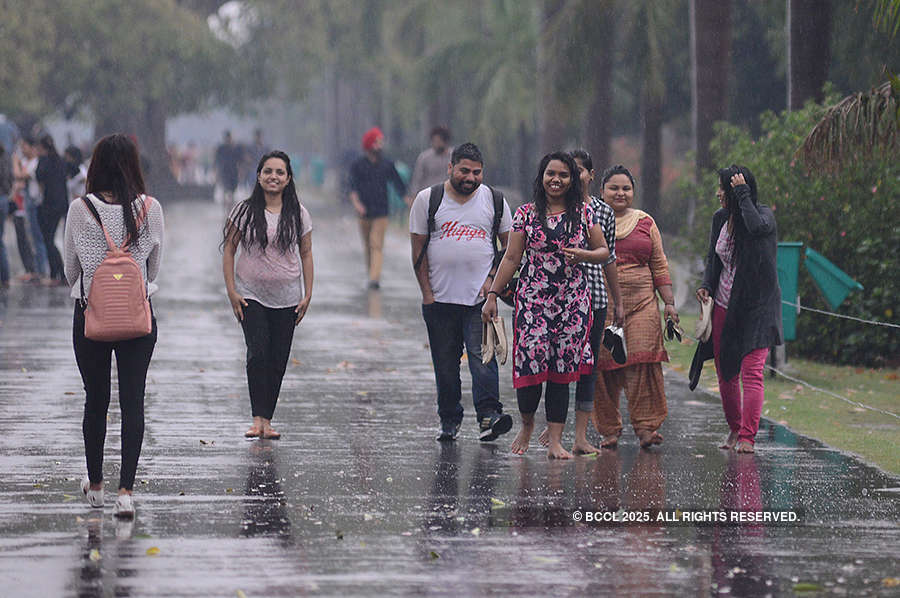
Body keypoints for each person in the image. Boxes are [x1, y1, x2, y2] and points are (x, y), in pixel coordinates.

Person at [483, 152, 610, 459]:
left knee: (562, 371)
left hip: (573, 302)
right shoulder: (526, 214)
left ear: (572, 180)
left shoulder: (583, 213)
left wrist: (583, 254)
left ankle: (555, 440)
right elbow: (512, 257)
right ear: (541, 177)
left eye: (564, 175)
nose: (557, 180)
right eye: (551, 173)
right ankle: (527, 426)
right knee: (530, 363)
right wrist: (492, 295)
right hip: (534, 300)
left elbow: (604, 251)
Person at [64, 133, 165, 518]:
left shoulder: (80, 209)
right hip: (138, 318)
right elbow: (153, 269)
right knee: (133, 401)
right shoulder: (151, 209)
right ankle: (126, 492)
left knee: (96, 399)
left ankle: (96, 486)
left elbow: (71, 270)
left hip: (91, 315)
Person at [410, 142, 513, 442]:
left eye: (476, 172)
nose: (470, 177)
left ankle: (488, 417)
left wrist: (493, 284)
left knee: (484, 361)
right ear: (450, 168)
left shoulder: (494, 200)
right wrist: (427, 295)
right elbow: (418, 250)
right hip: (439, 300)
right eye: (464, 170)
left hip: (481, 302)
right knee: (445, 366)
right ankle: (449, 419)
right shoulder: (428, 200)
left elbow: (510, 248)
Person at [223, 150, 314, 440]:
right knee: (258, 352)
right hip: (251, 294)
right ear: (259, 176)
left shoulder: (298, 213)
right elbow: (229, 250)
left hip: (287, 296)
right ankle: (256, 418)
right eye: (268, 171)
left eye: (280, 172)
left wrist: (308, 293)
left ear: (288, 179)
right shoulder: (243, 211)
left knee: (278, 358)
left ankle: (268, 420)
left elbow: (307, 253)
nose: (273, 177)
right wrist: (232, 291)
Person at [537, 149, 622, 455]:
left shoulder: (601, 212)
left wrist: (618, 301)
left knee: (587, 366)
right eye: (561, 172)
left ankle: (581, 437)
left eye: (577, 171)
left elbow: (608, 256)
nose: (569, 177)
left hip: (595, 298)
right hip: (555, 298)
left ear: (588, 175)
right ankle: (554, 422)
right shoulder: (546, 208)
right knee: (554, 362)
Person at [692, 166, 781, 453]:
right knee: (725, 371)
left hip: (757, 308)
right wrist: (707, 284)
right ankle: (734, 430)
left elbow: (756, 229)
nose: (719, 193)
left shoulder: (762, 217)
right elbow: (713, 257)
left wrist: (742, 195)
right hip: (722, 306)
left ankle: (747, 437)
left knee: (752, 372)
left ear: (739, 192)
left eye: (723, 189)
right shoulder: (720, 219)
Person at [592, 165, 679, 449]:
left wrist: (669, 304)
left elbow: (659, 264)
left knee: (643, 363)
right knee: (603, 368)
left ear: (633, 192)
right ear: (602, 191)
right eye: (613, 188)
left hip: (643, 304)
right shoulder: (589, 220)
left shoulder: (646, 222)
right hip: (602, 304)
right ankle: (609, 430)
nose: (620, 193)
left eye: (626, 188)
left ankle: (646, 428)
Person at [348, 126, 406, 289]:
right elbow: (352, 187)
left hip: (382, 211)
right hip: (364, 212)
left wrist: (407, 199)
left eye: (381, 142)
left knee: (376, 244)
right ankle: (371, 274)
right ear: (369, 144)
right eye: (377, 142)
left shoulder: (387, 164)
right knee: (367, 245)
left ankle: (375, 278)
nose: (380, 145)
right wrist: (357, 204)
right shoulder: (358, 165)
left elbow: (398, 184)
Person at [35, 134, 69, 284]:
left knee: (48, 238)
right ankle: (57, 273)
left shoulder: (43, 162)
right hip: (61, 204)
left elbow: (39, 178)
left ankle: (58, 272)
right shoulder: (61, 161)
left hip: (48, 205)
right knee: (51, 238)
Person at [405, 126, 452, 206]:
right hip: (429, 199)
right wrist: (413, 196)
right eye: (434, 141)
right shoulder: (424, 158)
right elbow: (417, 179)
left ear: (445, 141)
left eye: (438, 141)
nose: (435, 144)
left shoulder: (454, 156)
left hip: (448, 198)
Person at [215, 130, 242, 206]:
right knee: (225, 190)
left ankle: (231, 206)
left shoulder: (236, 148)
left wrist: (240, 172)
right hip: (224, 171)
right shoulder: (221, 148)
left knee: (232, 191)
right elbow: (217, 161)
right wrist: (217, 172)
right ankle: (226, 207)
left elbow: (239, 161)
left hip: (234, 171)